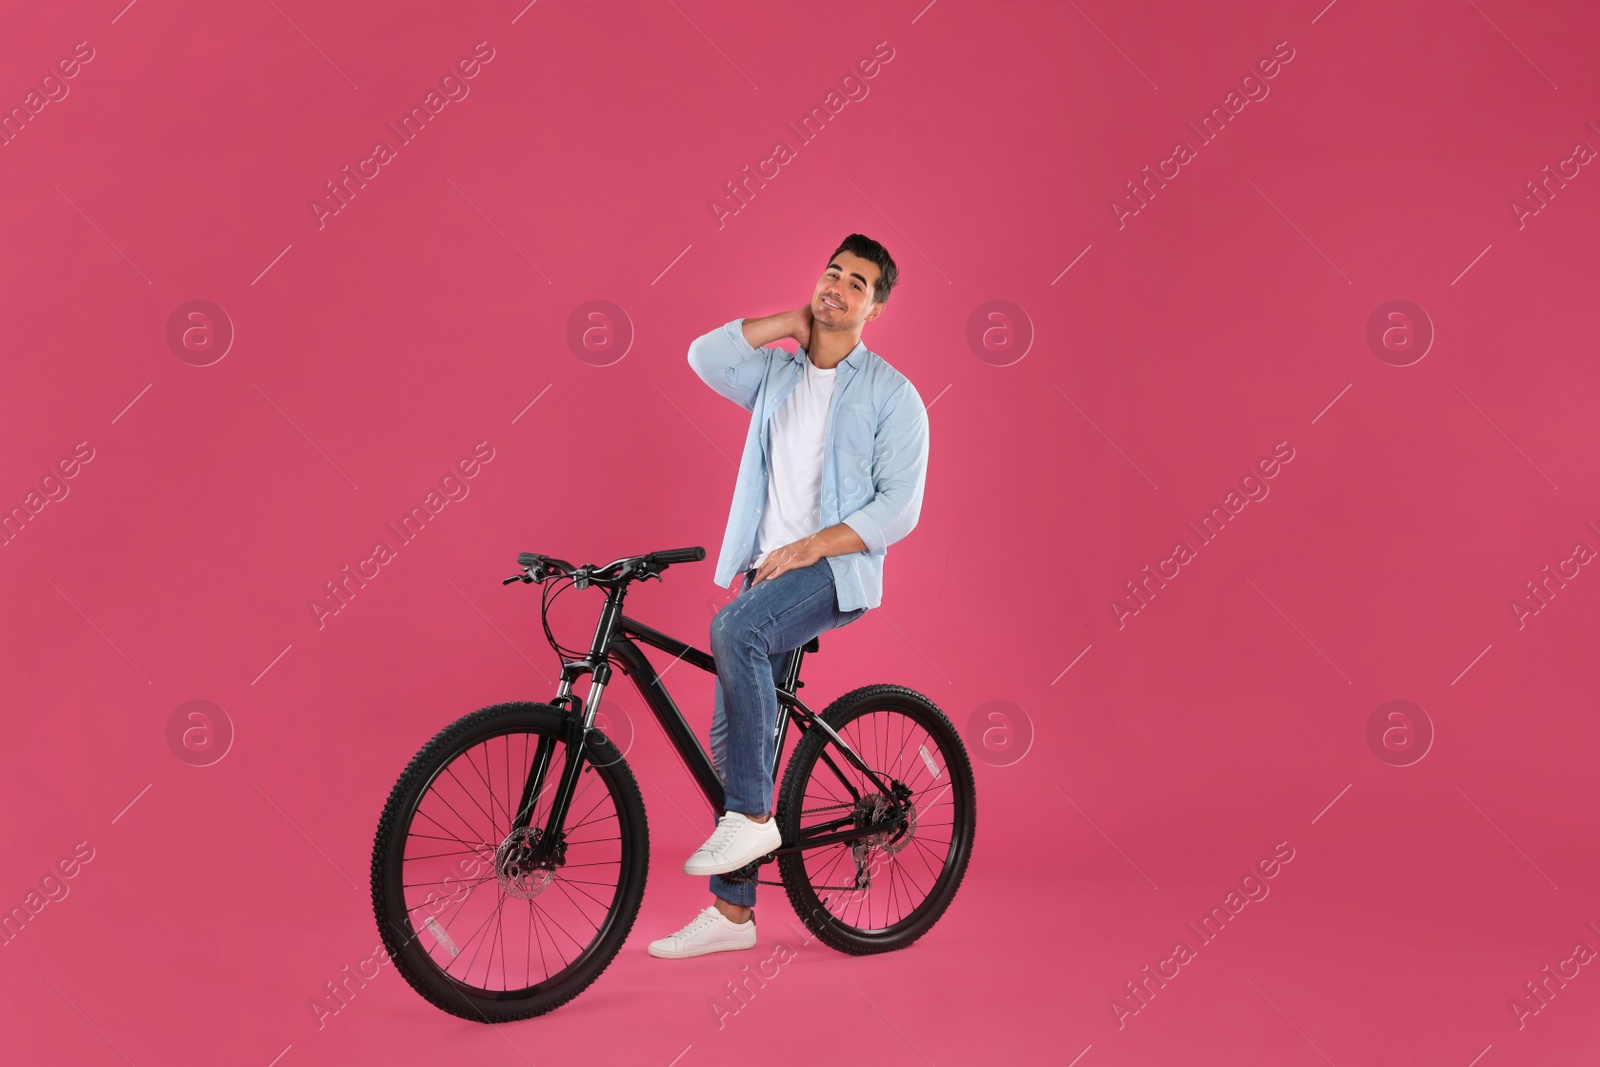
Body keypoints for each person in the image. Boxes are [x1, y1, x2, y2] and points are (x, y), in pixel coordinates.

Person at [647, 234, 930, 959]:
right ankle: (734, 916)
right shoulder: (777, 376)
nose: (839, 286)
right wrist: (787, 322)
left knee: (734, 635)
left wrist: (809, 546)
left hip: (832, 571)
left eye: (858, 283)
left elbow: (899, 507)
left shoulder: (892, 394)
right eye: (833, 272)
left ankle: (750, 813)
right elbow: (703, 357)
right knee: (733, 740)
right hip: (765, 572)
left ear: (878, 305)